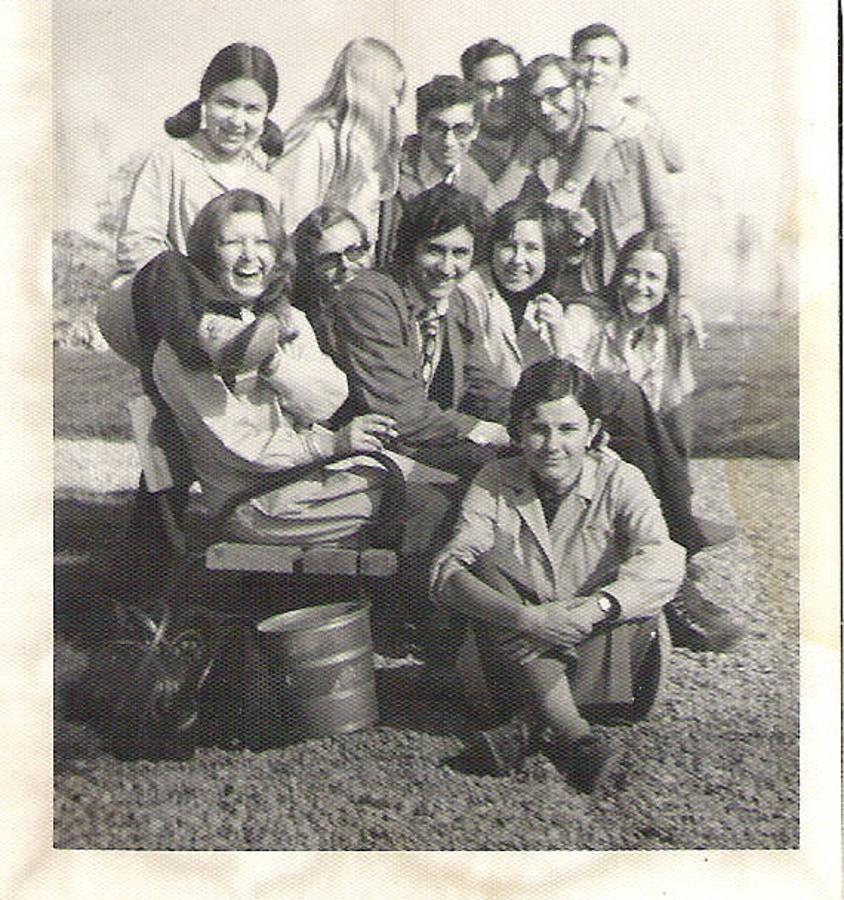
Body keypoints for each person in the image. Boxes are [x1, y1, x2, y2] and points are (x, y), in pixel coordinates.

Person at [459, 205, 742, 651]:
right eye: (632, 273)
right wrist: (562, 342)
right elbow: (562, 387)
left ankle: (674, 554)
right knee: (621, 391)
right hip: (554, 427)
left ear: (668, 289)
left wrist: (683, 326)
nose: (640, 286)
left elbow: (669, 413)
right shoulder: (581, 315)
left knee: (640, 434)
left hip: (604, 440)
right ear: (616, 275)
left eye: (654, 279)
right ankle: (682, 543)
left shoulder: (658, 333)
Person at [432, 359, 685, 790]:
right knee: (483, 563)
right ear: (516, 432)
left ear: (592, 431)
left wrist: (593, 609)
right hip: (518, 646)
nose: (552, 445)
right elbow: (447, 571)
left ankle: (528, 725)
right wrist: (529, 620)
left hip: (599, 646)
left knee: (634, 588)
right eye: (538, 429)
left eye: (568, 429)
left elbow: (664, 559)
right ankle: (575, 736)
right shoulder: (494, 479)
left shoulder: (623, 479)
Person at [140, 188, 401, 545]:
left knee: (441, 486)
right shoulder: (188, 348)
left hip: (306, 481)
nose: (250, 256)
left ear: (277, 252)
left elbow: (329, 400)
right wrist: (331, 445)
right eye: (231, 242)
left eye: (262, 242)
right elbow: (239, 447)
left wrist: (272, 361)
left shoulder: (286, 317)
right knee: (425, 507)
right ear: (207, 254)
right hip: (257, 505)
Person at [98, 42, 284, 366]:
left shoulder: (267, 183)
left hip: (240, 302)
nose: (237, 120)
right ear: (204, 101)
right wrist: (201, 299)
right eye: (226, 104)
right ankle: (210, 342)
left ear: (266, 115)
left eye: (252, 109)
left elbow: (274, 258)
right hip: (169, 304)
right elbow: (137, 246)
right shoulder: (170, 160)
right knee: (167, 265)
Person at [321, 183, 512, 479]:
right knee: (492, 470)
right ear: (411, 249)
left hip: (427, 444)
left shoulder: (458, 302)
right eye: (435, 250)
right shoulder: (370, 296)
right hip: (368, 452)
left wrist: (533, 417)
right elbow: (399, 412)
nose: (447, 268)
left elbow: (483, 385)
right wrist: (478, 428)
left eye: (460, 253)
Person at [273, 37, 405, 249]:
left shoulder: (371, 147)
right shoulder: (317, 138)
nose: (395, 102)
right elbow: (292, 225)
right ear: (368, 89)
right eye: (393, 92)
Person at [570, 22, 684, 175]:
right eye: (586, 60)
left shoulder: (635, 114)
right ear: (571, 65)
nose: (595, 69)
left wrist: (647, 123)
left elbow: (675, 163)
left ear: (622, 71)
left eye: (606, 61)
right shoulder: (560, 114)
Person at [291, 204, 374, 349]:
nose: (345, 265)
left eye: (354, 251)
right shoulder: (305, 332)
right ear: (311, 269)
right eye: (329, 260)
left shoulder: (396, 308)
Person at [459, 39, 524, 184]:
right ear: (469, 90)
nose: (499, 97)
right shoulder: (458, 148)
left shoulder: (539, 134)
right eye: (487, 87)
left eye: (509, 84)